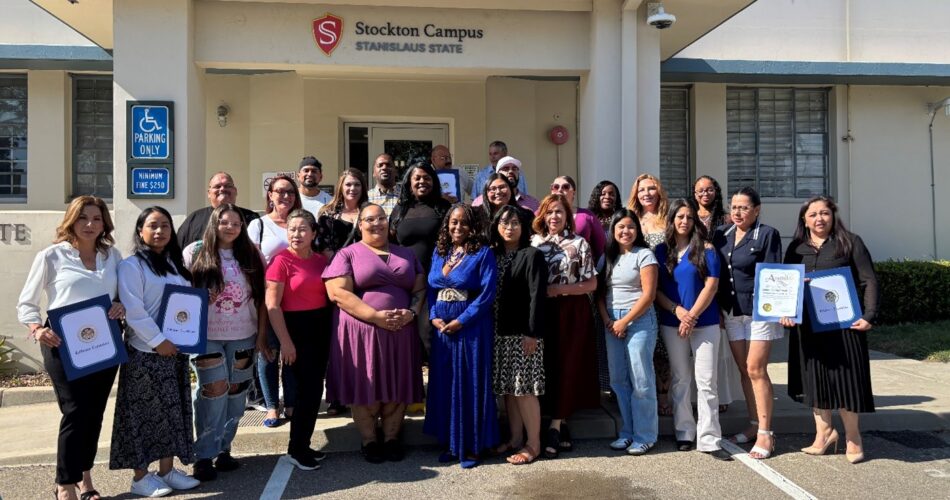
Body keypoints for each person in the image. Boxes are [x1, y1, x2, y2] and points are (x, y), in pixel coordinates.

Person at [17, 196, 125, 500]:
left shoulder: (112, 256)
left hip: (104, 342)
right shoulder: (51, 256)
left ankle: (85, 479)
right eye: (83, 218)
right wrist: (37, 329)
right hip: (62, 343)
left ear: (105, 223)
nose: (90, 225)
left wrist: (120, 305)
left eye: (97, 218)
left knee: (94, 413)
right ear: (71, 221)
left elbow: (123, 295)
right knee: (75, 411)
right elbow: (27, 302)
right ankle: (64, 484)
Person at [323, 204, 426, 463]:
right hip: (362, 333)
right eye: (370, 219)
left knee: (396, 387)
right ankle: (369, 440)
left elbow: (420, 289)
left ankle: (392, 438)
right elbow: (338, 293)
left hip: (400, 331)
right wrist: (375, 317)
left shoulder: (406, 254)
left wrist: (412, 313)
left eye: (381, 218)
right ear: (360, 225)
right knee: (366, 388)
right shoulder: (348, 254)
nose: (376, 223)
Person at [111, 207, 200, 496]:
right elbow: (134, 311)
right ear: (140, 231)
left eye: (165, 225)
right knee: (144, 416)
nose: (160, 231)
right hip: (145, 352)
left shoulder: (175, 265)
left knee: (172, 413)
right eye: (153, 225)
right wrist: (158, 340)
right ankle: (140, 478)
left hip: (175, 352)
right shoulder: (131, 266)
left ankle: (167, 471)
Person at [781, 196, 878, 465]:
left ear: (833, 216)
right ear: (804, 219)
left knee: (846, 381)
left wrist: (869, 315)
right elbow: (786, 286)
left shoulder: (850, 242)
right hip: (809, 328)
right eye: (813, 214)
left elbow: (869, 280)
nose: (819, 219)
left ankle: (853, 437)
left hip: (844, 326)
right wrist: (786, 312)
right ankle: (823, 434)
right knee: (815, 381)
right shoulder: (796, 248)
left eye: (824, 213)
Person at [183, 204, 267, 480]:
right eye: (224, 222)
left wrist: (263, 335)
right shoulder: (195, 252)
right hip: (206, 335)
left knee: (236, 392)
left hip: (243, 332)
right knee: (213, 390)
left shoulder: (252, 253)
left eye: (236, 223)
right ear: (213, 224)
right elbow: (179, 291)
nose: (230, 227)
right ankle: (203, 455)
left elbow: (261, 299)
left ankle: (223, 448)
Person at [653, 199, 731, 461]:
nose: (684, 221)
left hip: (704, 323)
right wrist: (677, 311)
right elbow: (656, 291)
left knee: (707, 382)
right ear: (672, 220)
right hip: (672, 323)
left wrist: (692, 316)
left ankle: (709, 438)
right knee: (680, 378)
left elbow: (711, 286)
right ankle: (684, 431)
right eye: (680, 217)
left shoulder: (707, 250)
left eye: (689, 217)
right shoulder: (661, 251)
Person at [424, 204, 499, 468]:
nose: (458, 227)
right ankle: (451, 442)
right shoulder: (439, 252)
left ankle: (473, 445)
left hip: (471, 328)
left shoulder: (483, 254)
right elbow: (431, 289)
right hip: (442, 330)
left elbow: (487, 296)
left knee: (471, 383)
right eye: (453, 222)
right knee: (446, 384)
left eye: (464, 223)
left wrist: (461, 320)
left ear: (473, 226)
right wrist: (433, 315)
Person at [713, 187, 783, 459]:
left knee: (756, 368)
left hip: (759, 311)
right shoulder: (722, 234)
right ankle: (754, 424)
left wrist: (781, 309)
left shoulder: (767, 234)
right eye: (734, 207)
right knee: (744, 370)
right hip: (732, 311)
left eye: (744, 207)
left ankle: (767, 433)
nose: (738, 212)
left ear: (756, 209)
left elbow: (775, 274)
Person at [531, 194, 599, 459]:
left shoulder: (579, 243)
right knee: (548, 365)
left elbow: (591, 283)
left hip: (572, 310)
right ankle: (561, 421)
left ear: (567, 216)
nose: (554, 217)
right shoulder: (535, 242)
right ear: (542, 216)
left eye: (559, 212)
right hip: (543, 313)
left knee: (569, 364)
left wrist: (560, 289)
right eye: (549, 212)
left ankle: (556, 426)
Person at [264, 209, 332, 470]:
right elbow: (272, 306)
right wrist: (286, 342)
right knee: (304, 392)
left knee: (314, 391)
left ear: (313, 233)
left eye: (303, 229)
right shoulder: (280, 262)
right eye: (292, 229)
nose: (296, 234)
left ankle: (303, 443)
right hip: (295, 330)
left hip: (319, 328)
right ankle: (296, 449)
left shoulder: (319, 261)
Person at [595, 209, 659, 456]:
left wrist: (625, 322)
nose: (625, 231)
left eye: (630, 227)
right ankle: (628, 432)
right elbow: (599, 294)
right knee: (618, 381)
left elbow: (649, 295)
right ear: (612, 230)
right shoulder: (607, 257)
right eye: (620, 227)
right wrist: (609, 321)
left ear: (637, 230)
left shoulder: (644, 255)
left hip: (639, 321)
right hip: (612, 321)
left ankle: (646, 436)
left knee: (641, 380)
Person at [488, 205, 548, 465]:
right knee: (508, 390)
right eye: (503, 223)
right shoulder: (493, 255)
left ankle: (533, 444)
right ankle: (514, 438)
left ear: (523, 227)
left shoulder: (532, 255)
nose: (509, 227)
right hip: (498, 333)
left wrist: (532, 333)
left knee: (524, 389)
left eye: (514, 223)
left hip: (524, 334)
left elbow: (537, 297)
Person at [248, 174, 302, 427]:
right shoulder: (258, 225)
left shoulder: (301, 223)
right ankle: (271, 406)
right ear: (270, 195)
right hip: (267, 299)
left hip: (297, 299)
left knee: (292, 353)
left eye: (290, 191)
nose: (285, 196)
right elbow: (249, 264)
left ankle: (290, 403)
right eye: (279, 191)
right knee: (268, 352)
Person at [390, 162, 452, 355]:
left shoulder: (443, 207)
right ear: (409, 182)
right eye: (417, 178)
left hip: (434, 281)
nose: (422, 181)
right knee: (403, 335)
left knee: (427, 335)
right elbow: (390, 243)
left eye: (427, 177)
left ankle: (436, 384)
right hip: (403, 281)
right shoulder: (400, 210)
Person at [627, 173, 673, 418]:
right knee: (644, 347)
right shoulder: (632, 219)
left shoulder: (668, 219)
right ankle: (644, 394)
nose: (646, 193)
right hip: (637, 290)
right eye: (641, 189)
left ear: (659, 192)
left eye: (651, 189)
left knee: (664, 347)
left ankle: (665, 395)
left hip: (665, 287)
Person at [691, 175, 737, 415]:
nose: (704, 194)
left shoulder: (727, 219)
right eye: (700, 190)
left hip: (718, 283)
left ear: (716, 192)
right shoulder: (689, 216)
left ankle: (722, 396)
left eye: (709, 190)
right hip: (693, 282)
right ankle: (695, 396)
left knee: (719, 350)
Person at [177, 172, 259, 248]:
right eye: (217, 186)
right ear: (209, 193)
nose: (222, 189)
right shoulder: (194, 219)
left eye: (228, 186)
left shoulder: (252, 218)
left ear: (235, 191)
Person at [549, 175, 605, 262]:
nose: (559, 190)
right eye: (556, 187)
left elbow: (600, 248)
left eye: (565, 187)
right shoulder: (539, 214)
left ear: (573, 193)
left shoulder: (587, 216)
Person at [317, 168, 368, 262]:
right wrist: (342, 267)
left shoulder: (370, 212)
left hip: (366, 266)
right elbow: (325, 247)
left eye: (357, 184)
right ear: (341, 187)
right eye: (348, 184)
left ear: (362, 188)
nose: (353, 188)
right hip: (338, 269)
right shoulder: (328, 214)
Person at [473, 156, 539, 213]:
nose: (511, 171)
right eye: (505, 169)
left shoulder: (532, 203)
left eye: (514, 168)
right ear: (497, 173)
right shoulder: (480, 202)